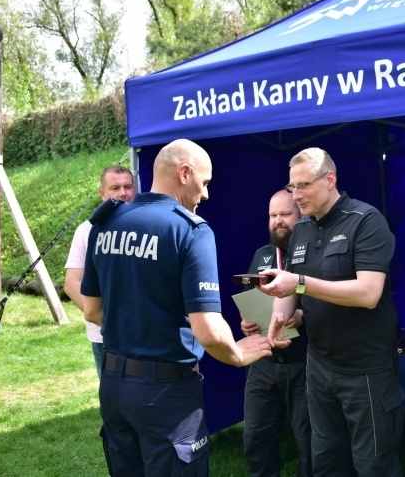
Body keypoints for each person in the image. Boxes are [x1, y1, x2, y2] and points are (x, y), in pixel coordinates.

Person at [81, 138, 272, 476]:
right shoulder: (190, 230)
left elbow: (92, 310)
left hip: (113, 386)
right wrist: (238, 355)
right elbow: (208, 330)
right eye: (204, 182)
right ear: (184, 173)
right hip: (165, 392)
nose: (206, 194)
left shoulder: (105, 223)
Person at [262, 147, 405, 477]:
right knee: (326, 460)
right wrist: (280, 317)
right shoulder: (301, 228)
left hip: (366, 369)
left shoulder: (366, 221)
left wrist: (299, 283)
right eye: (292, 186)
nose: (296, 195)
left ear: (329, 179)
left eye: (304, 185)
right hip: (320, 366)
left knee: (373, 464)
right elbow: (291, 287)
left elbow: (368, 294)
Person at [239, 189, 312, 477]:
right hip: (264, 361)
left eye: (284, 214)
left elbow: (324, 295)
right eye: (272, 215)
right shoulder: (263, 255)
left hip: (304, 361)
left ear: (301, 215)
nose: (277, 221)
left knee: (309, 438)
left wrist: (303, 314)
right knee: (256, 436)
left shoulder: (312, 253)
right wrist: (247, 324)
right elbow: (251, 298)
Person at [64, 165, 135, 377]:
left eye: (128, 187)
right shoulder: (86, 230)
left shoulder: (147, 225)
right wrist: (105, 321)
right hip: (103, 336)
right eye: (115, 188)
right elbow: (72, 283)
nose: (123, 193)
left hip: (144, 335)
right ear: (102, 193)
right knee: (111, 394)